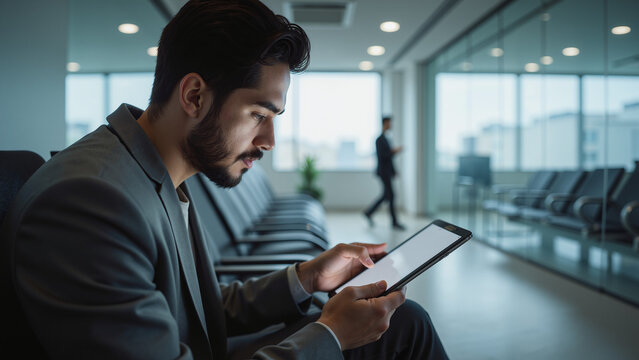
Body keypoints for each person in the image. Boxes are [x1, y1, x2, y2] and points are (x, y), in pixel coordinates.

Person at [1, 0, 447, 358]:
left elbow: (195, 310)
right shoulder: (89, 202)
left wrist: (306, 277)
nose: (269, 140)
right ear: (195, 95)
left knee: (405, 323)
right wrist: (329, 337)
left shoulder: (147, 170)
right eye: (258, 114)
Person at [364, 116, 405, 230]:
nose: (390, 125)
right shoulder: (379, 140)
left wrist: (394, 170)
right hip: (383, 172)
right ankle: (394, 222)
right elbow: (384, 156)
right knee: (391, 195)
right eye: (389, 123)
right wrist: (394, 151)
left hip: (387, 172)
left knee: (387, 195)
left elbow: (389, 158)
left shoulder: (386, 139)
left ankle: (369, 212)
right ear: (384, 123)